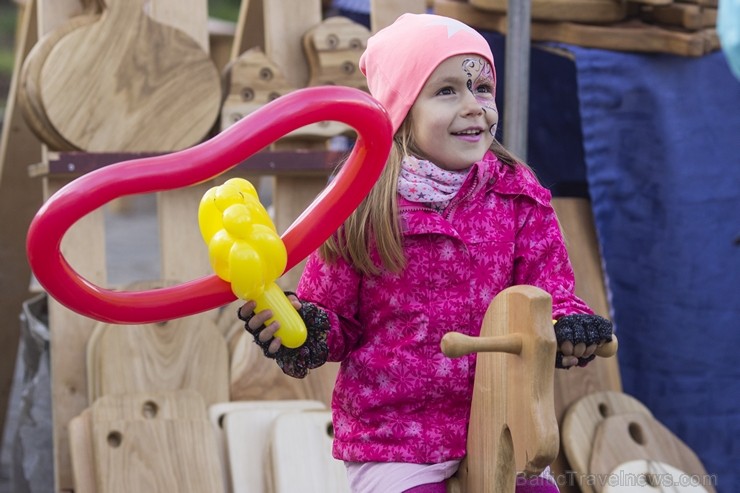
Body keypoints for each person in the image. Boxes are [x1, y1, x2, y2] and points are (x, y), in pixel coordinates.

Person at [238, 13, 613, 493]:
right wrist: (303, 329)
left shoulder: (517, 194)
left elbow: (550, 293)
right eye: (447, 91)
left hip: (501, 423)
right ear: (401, 110)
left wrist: (568, 326)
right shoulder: (359, 203)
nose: (475, 107)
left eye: (482, 88)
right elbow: (336, 320)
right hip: (395, 438)